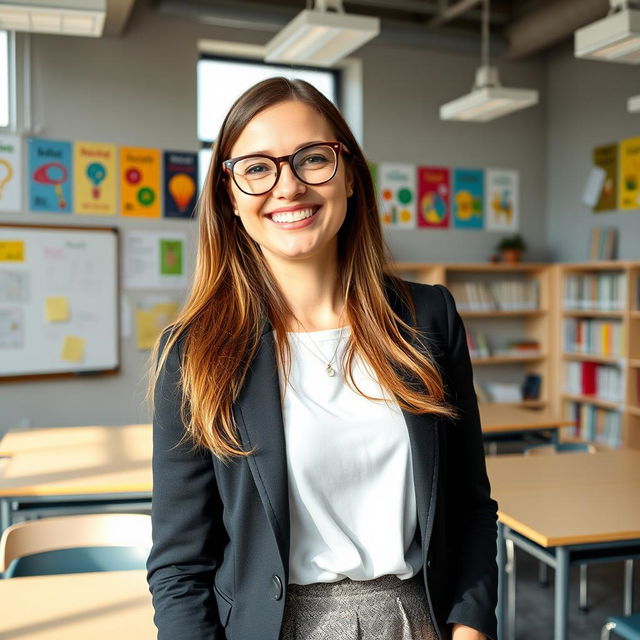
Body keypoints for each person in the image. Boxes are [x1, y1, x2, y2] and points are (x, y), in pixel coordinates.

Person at [146, 76, 498, 640]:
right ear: (229, 197)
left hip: (417, 620)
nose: (288, 187)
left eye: (313, 159)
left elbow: (471, 505)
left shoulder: (428, 318)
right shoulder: (193, 353)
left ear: (351, 176)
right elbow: (179, 567)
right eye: (257, 168)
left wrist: (472, 625)